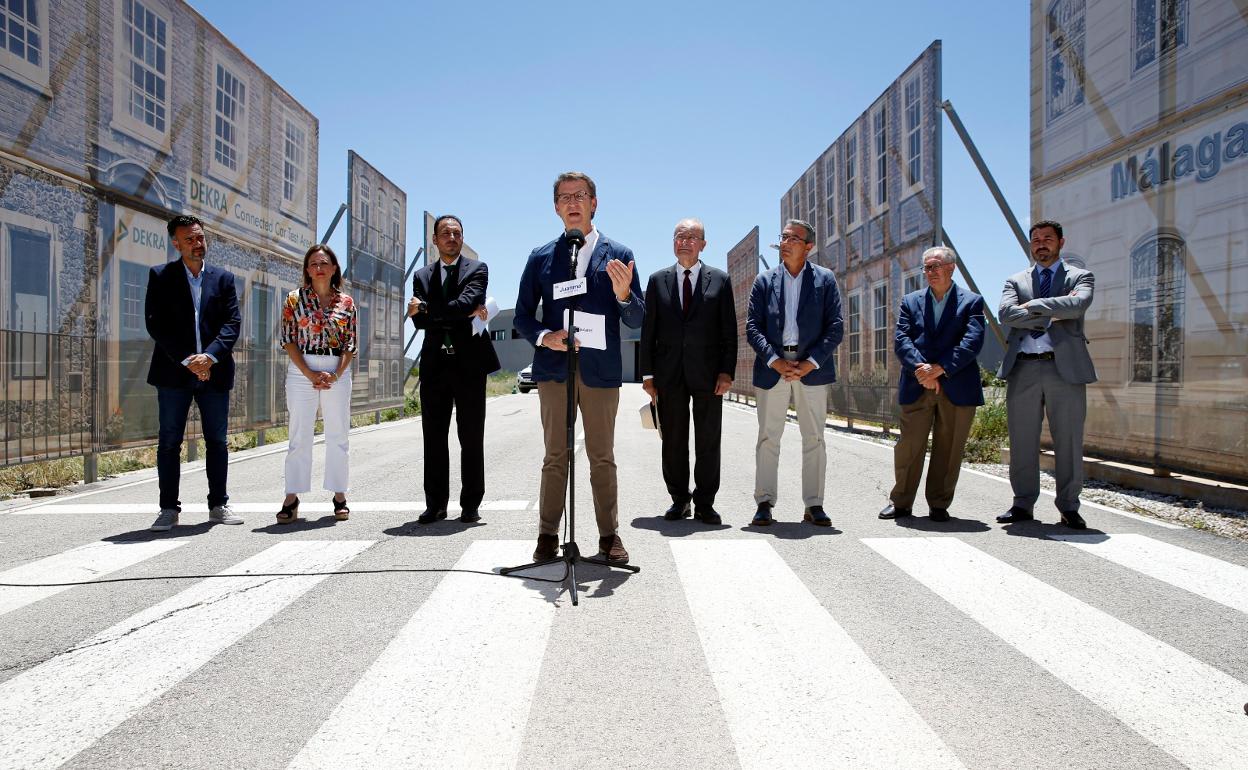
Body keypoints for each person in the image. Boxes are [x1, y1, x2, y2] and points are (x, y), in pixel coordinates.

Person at [513, 171, 644, 563]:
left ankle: (609, 537)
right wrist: (545, 337)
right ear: (556, 207)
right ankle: (548, 535)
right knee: (556, 455)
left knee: (602, 456)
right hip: (555, 370)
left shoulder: (619, 253)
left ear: (594, 204)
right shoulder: (541, 257)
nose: (573, 202)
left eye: (581, 195)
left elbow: (637, 318)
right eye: (565, 197)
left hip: (601, 371)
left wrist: (624, 296)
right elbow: (522, 316)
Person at [995, 220, 1096, 529]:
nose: (1041, 243)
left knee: (1068, 440)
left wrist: (1035, 305)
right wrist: (1052, 312)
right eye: (1036, 239)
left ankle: (1069, 506)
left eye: (1047, 238)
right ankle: (1022, 504)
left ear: (1060, 243)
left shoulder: (1081, 276)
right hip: (1023, 367)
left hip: (1064, 369)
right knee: (1022, 440)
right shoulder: (1015, 281)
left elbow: (1077, 305)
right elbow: (1005, 314)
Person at [145, 214, 242, 531]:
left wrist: (210, 358)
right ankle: (168, 509)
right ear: (176, 243)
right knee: (169, 442)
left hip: (214, 372)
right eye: (189, 239)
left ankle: (219, 505)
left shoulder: (224, 279)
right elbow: (156, 324)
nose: (197, 244)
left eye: (200, 237)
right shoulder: (160, 276)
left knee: (217, 440)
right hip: (174, 373)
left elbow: (231, 324)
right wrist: (190, 360)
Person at [639, 218, 737, 525]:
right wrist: (648, 376)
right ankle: (680, 500)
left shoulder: (720, 280)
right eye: (679, 237)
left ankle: (705, 503)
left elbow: (729, 332)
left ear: (703, 244)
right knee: (674, 440)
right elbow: (648, 330)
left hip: (709, 375)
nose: (684, 242)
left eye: (691, 237)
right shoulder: (657, 281)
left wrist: (726, 371)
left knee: (708, 439)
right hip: (669, 375)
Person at [746, 219, 843, 526]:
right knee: (768, 437)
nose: (785, 243)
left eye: (793, 239)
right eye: (783, 237)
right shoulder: (764, 281)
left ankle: (814, 505)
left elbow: (835, 326)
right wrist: (774, 359)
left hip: (812, 370)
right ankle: (764, 502)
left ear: (809, 247)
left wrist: (810, 362)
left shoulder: (825, 280)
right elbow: (753, 326)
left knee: (814, 438)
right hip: (773, 367)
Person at [879, 246, 985, 523]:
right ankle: (901, 502)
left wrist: (941, 369)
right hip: (918, 383)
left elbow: (972, 341)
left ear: (952, 268)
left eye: (936, 266)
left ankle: (939, 503)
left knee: (949, 448)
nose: (931, 272)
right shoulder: (910, 301)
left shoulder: (972, 301)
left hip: (956, 384)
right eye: (927, 267)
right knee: (909, 445)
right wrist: (922, 369)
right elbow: (902, 339)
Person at [407, 215, 500, 524]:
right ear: (435, 240)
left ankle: (471, 504)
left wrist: (430, 309)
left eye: (456, 233)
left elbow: (467, 302)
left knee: (471, 435)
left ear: (462, 238)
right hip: (434, 364)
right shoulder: (421, 276)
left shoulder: (477, 269)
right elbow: (420, 322)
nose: (451, 237)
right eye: (445, 233)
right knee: (433, 437)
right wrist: (449, 312)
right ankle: (435, 504)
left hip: (470, 363)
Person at [276, 244, 357, 524]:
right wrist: (311, 374)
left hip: (337, 369)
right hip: (302, 370)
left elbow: (351, 343)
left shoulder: (346, 303)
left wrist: (335, 374)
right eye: (313, 264)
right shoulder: (293, 300)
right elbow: (287, 339)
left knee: (338, 435)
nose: (319, 268)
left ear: (334, 268)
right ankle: (292, 496)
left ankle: (339, 494)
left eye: (324, 263)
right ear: (307, 270)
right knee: (299, 436)